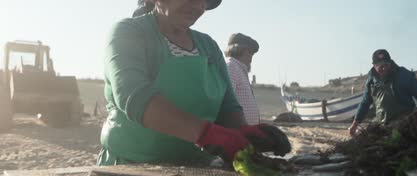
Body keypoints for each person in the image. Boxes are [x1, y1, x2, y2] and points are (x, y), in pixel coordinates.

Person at [98, 0, 291, 166]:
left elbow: (227, 107)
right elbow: (134, 97)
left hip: (197, 169)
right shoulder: (128, 32)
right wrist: (209, 134)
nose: (199, 5)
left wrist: (244, 132)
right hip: (130, 168)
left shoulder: (208, 46)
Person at [348, 49, 417, 136]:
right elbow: (365, 102)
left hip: (404, 122)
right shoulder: (371, 79)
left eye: (386, 65)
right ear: (374, 66)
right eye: (380, 66)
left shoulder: (404, 75)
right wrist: (355, 124)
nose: (383, 68)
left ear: (390, 63)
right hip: (381, 123)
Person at [225, 33, 261, 125]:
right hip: (237, 130)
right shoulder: (231, 67)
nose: (251, 56)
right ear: (238, 49)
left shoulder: (239, 68)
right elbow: (226, 100)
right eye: (250, 51)